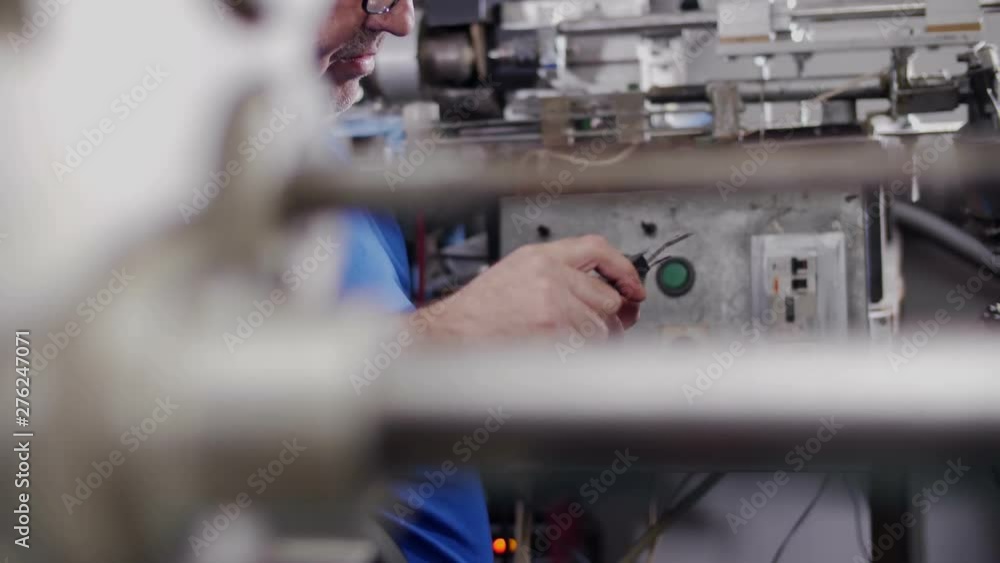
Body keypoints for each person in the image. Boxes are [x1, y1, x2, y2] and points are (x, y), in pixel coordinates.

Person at [316, 1, 647, 560]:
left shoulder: (317, 158)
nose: (401, 23)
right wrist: (451, 332)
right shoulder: (175, 160)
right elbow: (185, 411)